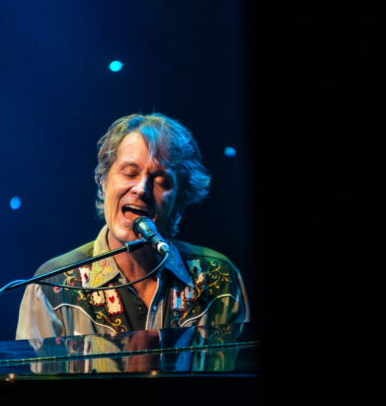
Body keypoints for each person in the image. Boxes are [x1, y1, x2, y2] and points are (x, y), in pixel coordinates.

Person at [16, 113, 249, 339]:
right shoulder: (51, 285)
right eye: (129, 173)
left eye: (161, 181)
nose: (141, 189)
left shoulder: (220, 278)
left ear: (179, 199)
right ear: (104, 181)